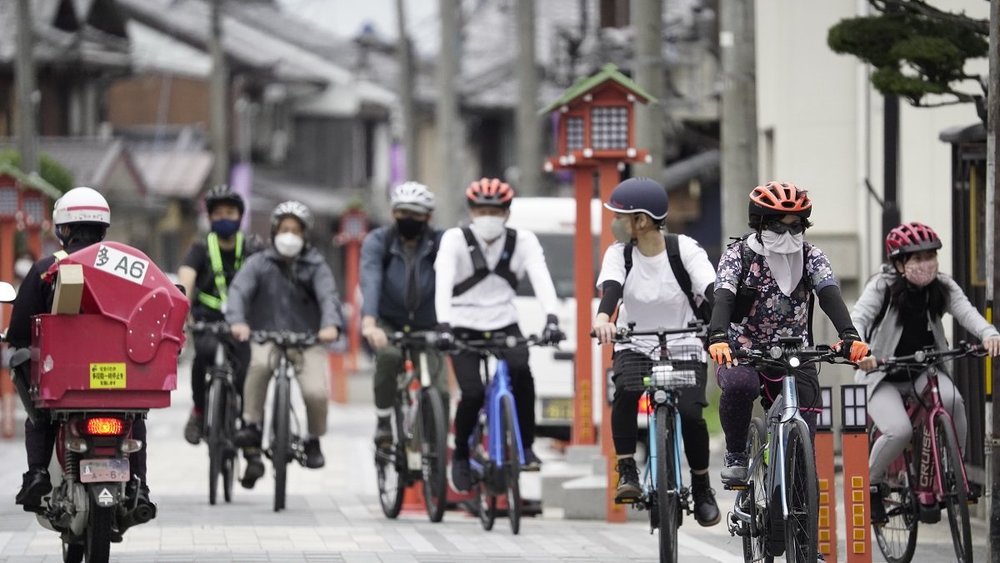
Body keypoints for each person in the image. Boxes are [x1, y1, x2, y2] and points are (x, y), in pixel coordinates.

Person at [707, 181, 870, 486]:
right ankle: (737, 455)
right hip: (745, 350)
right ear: (759, 225)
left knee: (806, 421)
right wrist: (718, 337)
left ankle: (799, 491)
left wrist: (850, 335)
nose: (787, 235)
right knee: (740, 385)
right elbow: (724, 297)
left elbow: (829, 293)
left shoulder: (811, 255)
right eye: (778, 228)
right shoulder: (738, 256)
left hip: (796, 350)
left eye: (795, 227)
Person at [10, 187, 154, 516]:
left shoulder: (46, 268)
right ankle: (140, 485)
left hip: (66, 379)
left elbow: (19, 329)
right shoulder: (130, 266)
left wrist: (17, 343)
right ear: (103, 228)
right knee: (134, 413)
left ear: (64, 229)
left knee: (40, 407)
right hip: (121, 377)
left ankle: (37, 473)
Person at [591, 177, 720, 526]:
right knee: (626, 392)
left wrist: (722, 326)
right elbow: (612, 289)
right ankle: (628, 470)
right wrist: (604, 317)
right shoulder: (619, 254)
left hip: (685, 341)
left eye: (621, 215)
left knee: (692, 414)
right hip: (636, 341)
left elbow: (711, 288)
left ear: (642, 220)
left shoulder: (685, 250)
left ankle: (701, 486)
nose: (615, 222)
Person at [852, 222, 1000, 524]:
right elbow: (858, 317)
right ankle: (872, 484)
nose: (926, 264)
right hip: (882, 375)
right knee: (898, 430)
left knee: (953, 401)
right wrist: (859, 350)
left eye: (930, 256)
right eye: (917, 259)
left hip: (924, 369)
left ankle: (953, 471)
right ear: (899, 263)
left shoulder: (942, 287)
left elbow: (967, 311)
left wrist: (989, 333)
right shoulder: (882, 285)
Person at [434, 178, 564, 491]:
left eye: (495, 209)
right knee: (472, 393)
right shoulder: (454, 239)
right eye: (481, 209)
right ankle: (462, 454)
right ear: (470, 211)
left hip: (504, 322)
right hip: (461, 323)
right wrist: (444, 326)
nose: (488, 216)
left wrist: (552, 318)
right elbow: (443, 282)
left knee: (522, 371)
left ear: (507, 212)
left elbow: (541, 279)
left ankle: (527, 447)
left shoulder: (524, 241)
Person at [228, 201, 343, 487]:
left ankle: (313, 440)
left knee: (316, 392)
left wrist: (330, 326)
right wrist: (238, 321)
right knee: (257, 366)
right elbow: (239, 291)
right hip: (266, 337)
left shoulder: (317, 265)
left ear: (305, 235)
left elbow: (329, 296)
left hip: (308, 340)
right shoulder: (259, 263)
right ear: (274, 231)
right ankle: (252, 425)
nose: (289, 235)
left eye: (295, 230)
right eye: (284, 229)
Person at [360, 182, 447, 447]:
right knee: (388, 356)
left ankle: (436, 449)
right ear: (392, 213)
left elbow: (454, 278)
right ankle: (384, 419)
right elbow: (371, 279)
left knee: (440, 390)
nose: (408, 219)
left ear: (428, 217)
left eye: (416, 214)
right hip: (388, 321)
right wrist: (370, 321)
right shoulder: (379, 241)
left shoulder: (440, 243)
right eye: (402, 213)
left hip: (428, 323)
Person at [178, 185, 256, 445]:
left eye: (230, 212)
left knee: (248, 369)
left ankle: (248, 427)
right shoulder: (200, 248)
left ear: (240, 216)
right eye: (218, 213)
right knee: (202, 358)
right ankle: (199, 413)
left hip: (242, 324)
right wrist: (184, 313)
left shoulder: (252, 248)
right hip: (207, 322)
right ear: (210, 218)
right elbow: (186, 279)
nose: (225, 218)